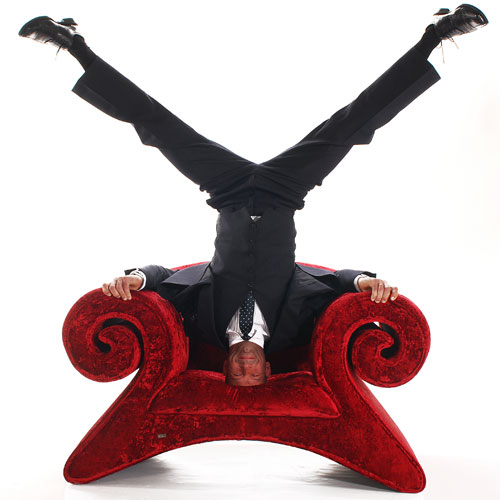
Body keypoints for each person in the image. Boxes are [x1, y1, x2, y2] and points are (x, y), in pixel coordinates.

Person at [19, 5, 488, 387]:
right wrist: (366, 281)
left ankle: (73, 45)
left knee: (158, 125)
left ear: (224, 367)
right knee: (351, 125)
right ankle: (434, 37)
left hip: (227, 191)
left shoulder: (203, 327)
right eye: (254, 375)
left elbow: (170, 277)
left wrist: (136, 278)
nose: (245, 367)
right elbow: (329, 283)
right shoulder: (291, 333)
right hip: (285, 192)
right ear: (268, 369)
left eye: (236, 373)